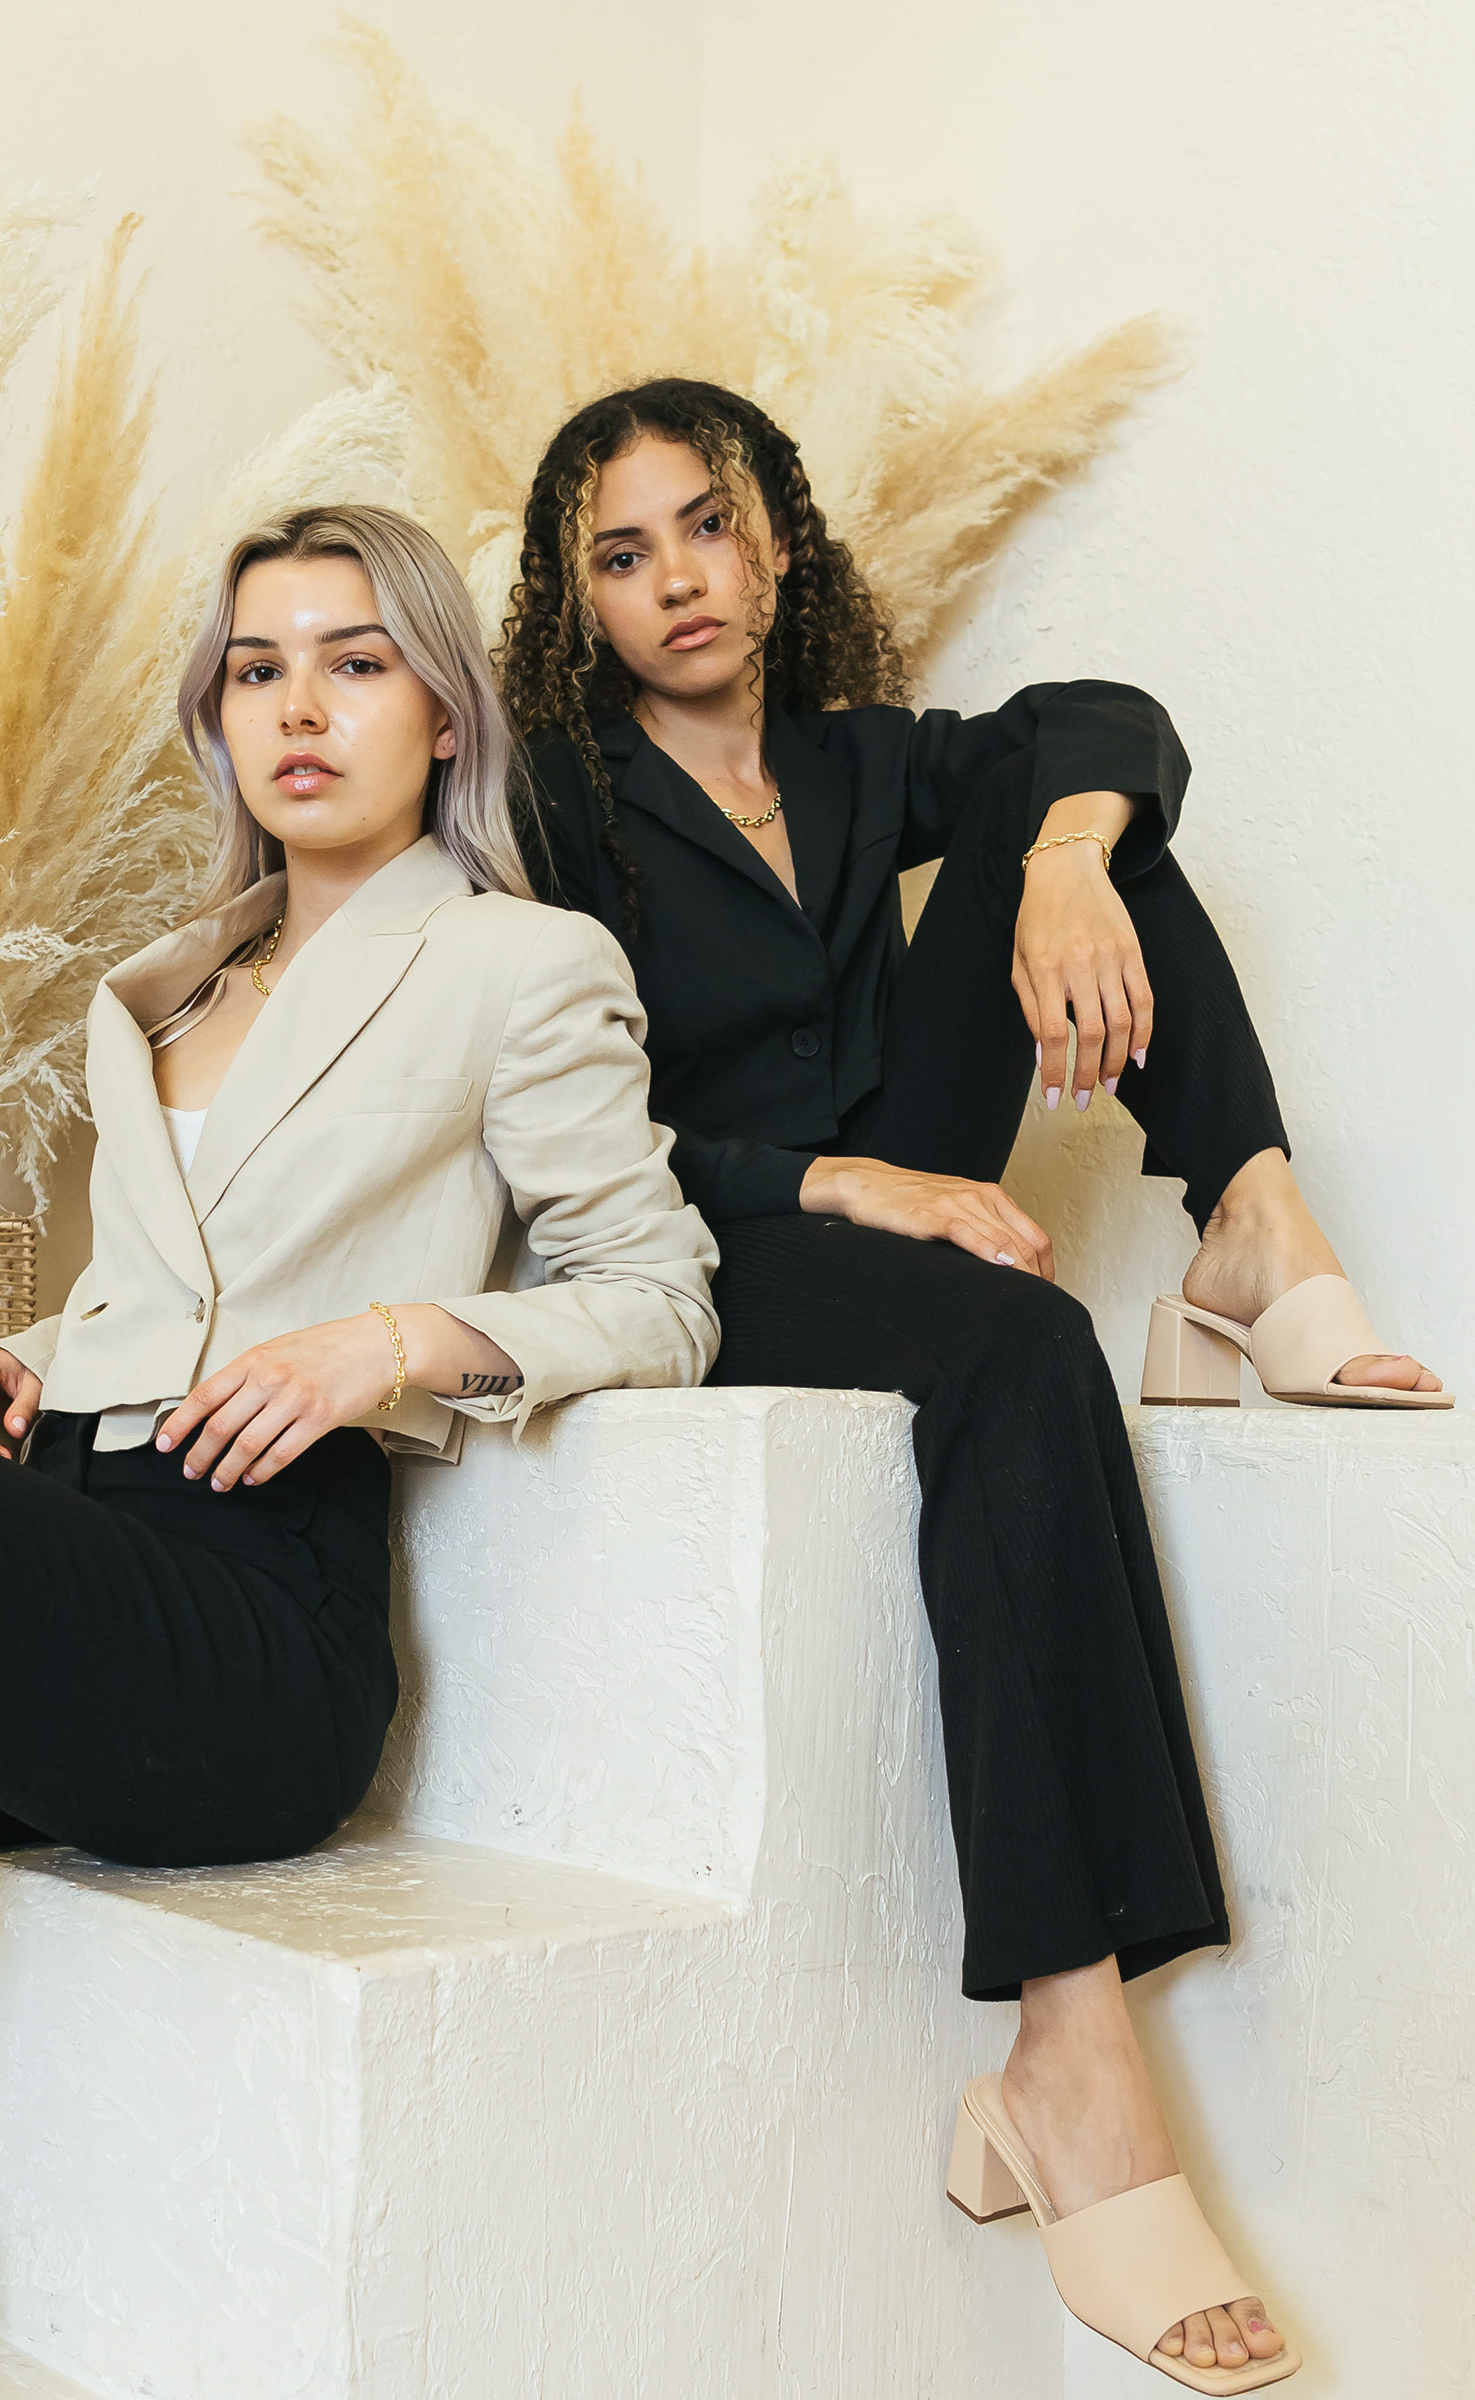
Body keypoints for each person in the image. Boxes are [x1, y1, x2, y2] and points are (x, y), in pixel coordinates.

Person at [0, 503, 717, 2393]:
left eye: (356, 662)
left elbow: (660, 1292)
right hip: (76, 1580)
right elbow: (169, 1277)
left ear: (443, 711)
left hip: (248, 1639)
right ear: (217, 715)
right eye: (258, 669)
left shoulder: (521, 963)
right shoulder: (164, 991)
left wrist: (394, 1342)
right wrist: (36, 1349)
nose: (300, 708)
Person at [505, 378, 1449, 2392]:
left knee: (1073, 816)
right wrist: (848, 1185)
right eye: (624, 553)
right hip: (720, 1231)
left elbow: (1114, 719)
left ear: (778, 543)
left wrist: (1069, 854)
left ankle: (1252, 1217)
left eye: (708, 525)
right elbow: (555, 1131)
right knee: (1022, 1345)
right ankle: (1069, 2051)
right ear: (579, 603)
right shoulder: (558, 806)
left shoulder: (854, 763)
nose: (679, 578)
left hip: (902, 1182)